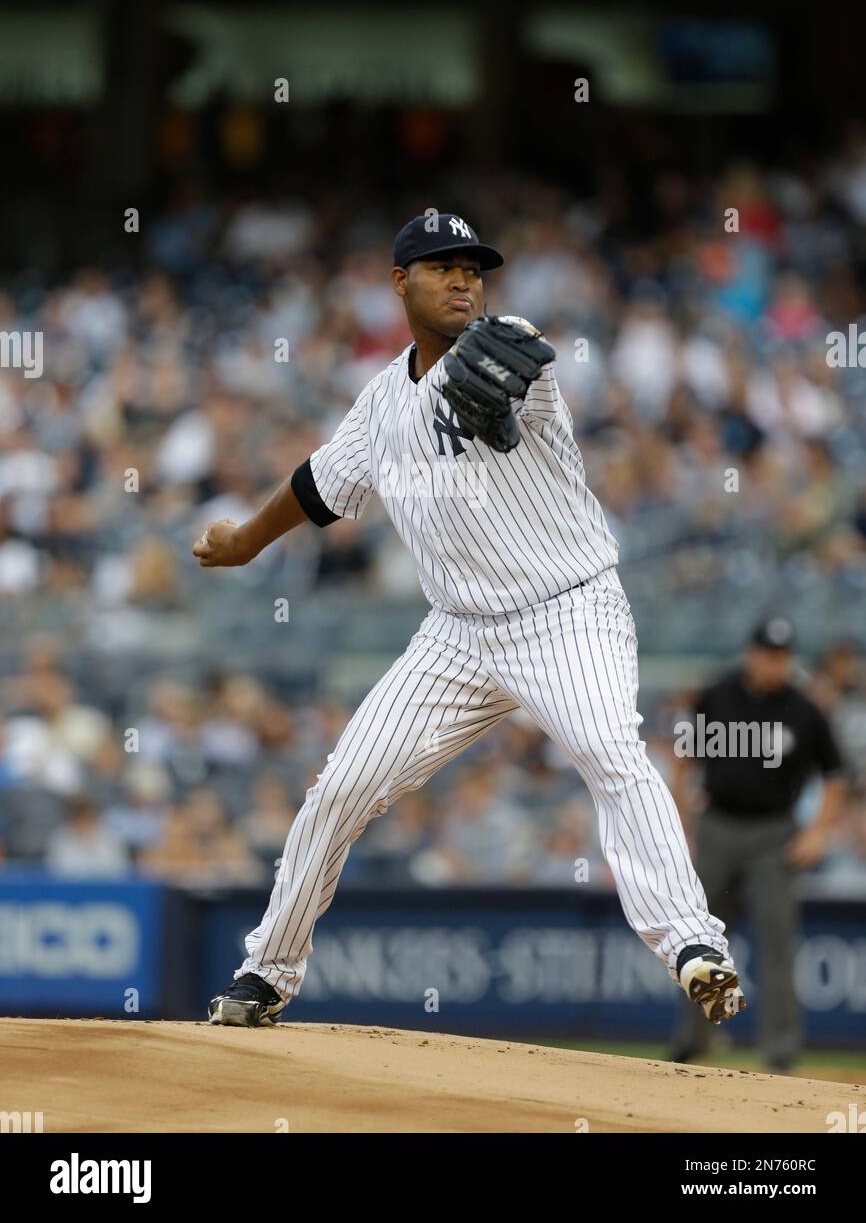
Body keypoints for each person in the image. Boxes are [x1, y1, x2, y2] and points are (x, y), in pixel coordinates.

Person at [195, 212, 745, 1030]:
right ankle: (265, 973)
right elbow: (316, 487)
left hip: (568, 609)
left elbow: (518, 371)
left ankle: (695, 946)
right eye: (440, 266)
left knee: (609, 750)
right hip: (456, 634)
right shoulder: (381, 404)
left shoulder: (509, 340)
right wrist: (243, 539)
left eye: (473, 269)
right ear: (399, 282)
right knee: (341, 786)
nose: (462, 280)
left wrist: (508, 399)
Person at [669, 616, 848, 1072]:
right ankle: (696, 1043)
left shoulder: (805, 710)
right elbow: (684, 756)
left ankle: (781, 1052)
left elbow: (837, 777)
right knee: (704, 942)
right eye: (769, 654)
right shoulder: (719, 693)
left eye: (783, 656)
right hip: (718, 827)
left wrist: (818, 831)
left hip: (774, 835)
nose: (775, 664)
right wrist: (683, 821)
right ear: (751, 652)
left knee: (776, 943)